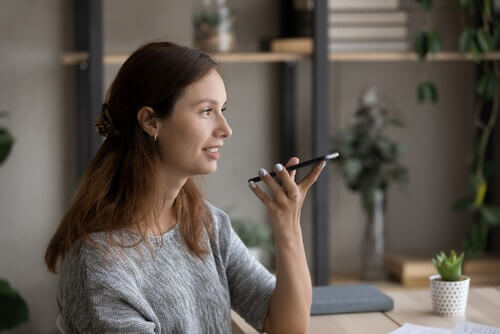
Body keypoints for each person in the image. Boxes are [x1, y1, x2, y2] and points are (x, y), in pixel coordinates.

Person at [44, 41, 326, 333]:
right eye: (206, 111)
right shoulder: (100, 266)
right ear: (151, 121)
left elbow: (287, 326)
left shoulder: (206, 223)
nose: (225, 129)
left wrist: (288, 226)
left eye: (222, 109)